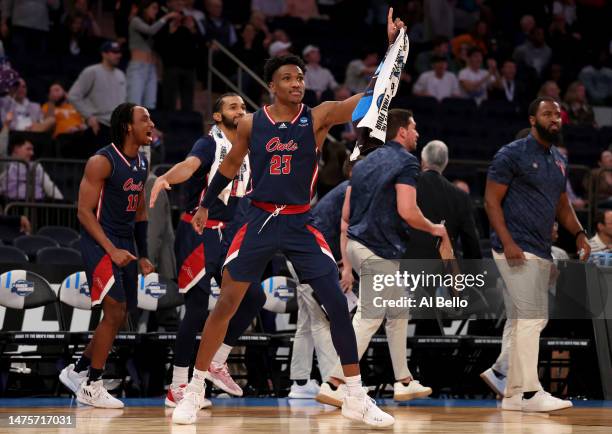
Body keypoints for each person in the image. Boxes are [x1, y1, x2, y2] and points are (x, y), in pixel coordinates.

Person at [172, 9, 407, 428]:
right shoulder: (250, 123)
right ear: (272, 86)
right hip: (259, 218)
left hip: (300, 222)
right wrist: (207, 202)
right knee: (226, 302)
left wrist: (392, 49)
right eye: (288, 78)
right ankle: (193, 390)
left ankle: (354, 395)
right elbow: (229, 168)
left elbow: (370, 98)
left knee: (336, 301)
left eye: (300, 78)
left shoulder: (317, 117)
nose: (297, 84)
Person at [316, 109, 442, 407]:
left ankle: (404, 381)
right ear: (401, 131)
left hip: (357, 246)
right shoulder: (407, 162)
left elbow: (345, 219)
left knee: (398, 310)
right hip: (377, 250)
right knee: (369, 317)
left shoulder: (363, 162)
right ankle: (334, 382)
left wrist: (347, 262)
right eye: (414, 128)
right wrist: (434, 227)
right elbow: (408, 212)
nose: (417, 134)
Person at [149, 93, 266, 406]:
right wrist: (165, 178)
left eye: (243, 106)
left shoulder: (250, 147)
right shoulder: (209, 143)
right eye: (233, 107)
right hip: (199, 233)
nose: (241, 110)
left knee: (255, 296)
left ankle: (217, 360)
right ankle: (177, 387)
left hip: (230, 235)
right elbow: (188, 167)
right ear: (217, 117)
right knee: (197, 308)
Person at [483, 96, 590, 412]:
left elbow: (561, 205)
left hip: (540, 248)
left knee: (523, 321)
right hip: (514, 248)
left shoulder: (559, 160)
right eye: (547, 113)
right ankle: (530, 392)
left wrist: (580, 234)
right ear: (533, 120)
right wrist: (508, 242)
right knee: (532, 316)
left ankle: (514, 395)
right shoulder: (511, 154)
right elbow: (490, 201)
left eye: (558, 114)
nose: (554, 118)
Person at [58, 103, 155, 408]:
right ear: (128, 126)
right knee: (114, 312)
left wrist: (143, 254)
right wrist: (111, 249)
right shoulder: (102, 160)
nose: (151, 124)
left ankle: (77, 370)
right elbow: (84, 213)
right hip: (99, 243)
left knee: (119, 313)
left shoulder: (141, 162)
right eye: (145, 119)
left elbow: (139, 211)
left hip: (124, 242)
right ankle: (92, 385)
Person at [288, 159, 360, 399]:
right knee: (322, 322)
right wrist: (345, 266)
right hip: (310, 256)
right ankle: (333, 385)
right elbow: (346, 230)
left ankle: (299, 383)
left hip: (301, 254)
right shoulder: (352, 189)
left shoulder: (343, 190)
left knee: (306, 323)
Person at [404, 140, 481, 260]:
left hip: (404, 265)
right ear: (445, 163)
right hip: (442, 269)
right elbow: (471, 243)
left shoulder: (406, 186)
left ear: (423, 161)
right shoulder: (461, 196)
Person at [68, 41, 127, 152]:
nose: (118, 55)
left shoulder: (121, 74)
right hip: (100, 126)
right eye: (114, 52)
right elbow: (73, 95)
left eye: (119, 52)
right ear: (104, 54)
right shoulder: (92, 71)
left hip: (118, 128)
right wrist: (89, 116)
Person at [126, 1, 178, 109]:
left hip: (151, 69)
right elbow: (150, 31)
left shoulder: (153, 25)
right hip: (138, 68)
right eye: (153, 8)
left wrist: (170, 30)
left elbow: (160, 43)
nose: (156, 11)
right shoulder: (136, 21)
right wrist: (167, 17)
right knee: (134, 104)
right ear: (145, 8)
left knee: (150, 105)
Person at [0, 136, 63, 201]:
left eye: (32, 150)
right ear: (16, 149)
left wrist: (61, 202)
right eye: (28, 149)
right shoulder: (5, 164)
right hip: (11, 205)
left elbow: (49, 187)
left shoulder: (36, 166)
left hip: (36, 204)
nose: (32, 153)